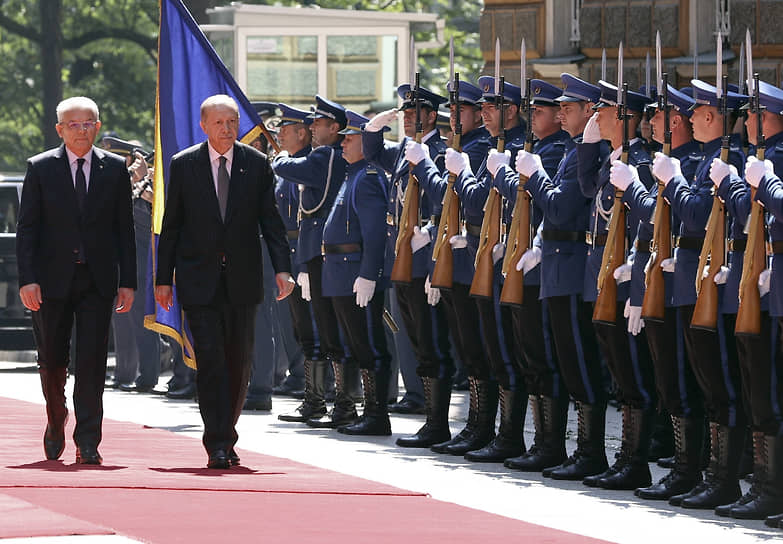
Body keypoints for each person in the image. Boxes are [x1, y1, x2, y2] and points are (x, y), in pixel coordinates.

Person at [155, 94, 294, 469]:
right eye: (219, 123)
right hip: (197, 280)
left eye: (232, 122)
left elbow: (271, 223)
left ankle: (227, 431)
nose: (227, 129)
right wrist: (162, 278)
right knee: (211, 360)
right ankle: (216, 441)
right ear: (204, 125)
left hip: (243, 279)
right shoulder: (184, 165)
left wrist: (283, 268)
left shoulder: (257, 164)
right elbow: (172, 226)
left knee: (238, 362)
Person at [17, 96, 136, 465]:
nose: (81, 131)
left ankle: (88, 440)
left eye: (88, 124)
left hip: (97, 282)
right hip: (51, 282)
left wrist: (127, 281)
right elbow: (27, 230)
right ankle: (56, 421)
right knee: (52, 360)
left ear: (97, 128)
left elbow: (124, 231)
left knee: (93, 362)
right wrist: (28, 280)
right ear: (59, 130)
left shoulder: (114, 169)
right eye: (73, 125)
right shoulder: (40, 168)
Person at [652, 79, 748, 508]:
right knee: (697, 382)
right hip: (689, 276)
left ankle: (721, 478)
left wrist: (672, 183)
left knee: (718, 383)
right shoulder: (705, 158)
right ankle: (693, 471)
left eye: (695, 113)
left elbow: (694, 217)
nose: (689, 118)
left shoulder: (726, 159)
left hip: (711, 282)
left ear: (711, 116)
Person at [362, 83, 453, 443]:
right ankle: (430, 416)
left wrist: (431, 239)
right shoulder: (404, 149)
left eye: (416, 113)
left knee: (431, 340)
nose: (408, 119)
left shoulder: (439, 151)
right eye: (405, 114)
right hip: (401, 256)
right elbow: (373, 155)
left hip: (424, 259)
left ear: (432, 116)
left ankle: (436, 421)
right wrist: (372, 129)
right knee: (417, 340)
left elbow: (443, 200)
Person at [323, 110, 393, 435]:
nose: (342, 145)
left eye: (349, 139)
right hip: (340, 273)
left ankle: (377, 414)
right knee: (356, 345)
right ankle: (365, 410)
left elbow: (375, 232)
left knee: (370, 345)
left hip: (356, 275)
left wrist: (369, 274)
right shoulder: (352, 174)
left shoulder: (367, 177)